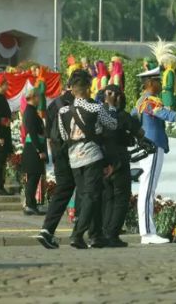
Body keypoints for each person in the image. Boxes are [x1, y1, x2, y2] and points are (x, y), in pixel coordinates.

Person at [134, 69, 176, 245]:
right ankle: (147, 233)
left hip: (149, 145)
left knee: (148, 190)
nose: (161, 85)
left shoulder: (141, 101)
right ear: (151, 83)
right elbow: (164, 114)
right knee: (147, 191)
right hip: (152, 147)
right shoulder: (149, 101)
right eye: (158, 81)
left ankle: (148, 231)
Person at [57, 71, 118, 249]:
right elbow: (112, 124)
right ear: (88, 89)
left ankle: (96, 234)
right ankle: (77, 234)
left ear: (73, 90)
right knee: (92, 195)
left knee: (88, 195)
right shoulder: (96, 108)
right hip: (92, 155)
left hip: (74, 158)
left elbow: (63, 135)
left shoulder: (63, 111)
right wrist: (111, 105)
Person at [36, 70, 79, 249]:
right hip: (72, 151)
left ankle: (48, 230)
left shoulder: (54, 104)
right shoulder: (75, 103)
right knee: (86, 189)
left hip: (57, 151)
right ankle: (84, 233)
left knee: (63, 190)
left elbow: (48, 133)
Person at [102, 86, 143, 247]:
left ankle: (105, 231)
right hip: (119, 159)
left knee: (107, 198)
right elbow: (140, 133)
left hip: (103, 160)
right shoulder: (122, 116)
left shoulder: (99, 114)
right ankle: (112, 234)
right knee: (121, 198)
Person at [21, 87, 47, 215]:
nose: (39, 99)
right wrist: (39, 150)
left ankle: (31, 203)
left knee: (34, 177)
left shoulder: (31, 111)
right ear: (33, 97)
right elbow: (33, 133)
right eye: (37, 97)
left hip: (33, 148)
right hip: (33, 149)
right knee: (33, 177)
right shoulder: (30, 112)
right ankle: (30, 205)